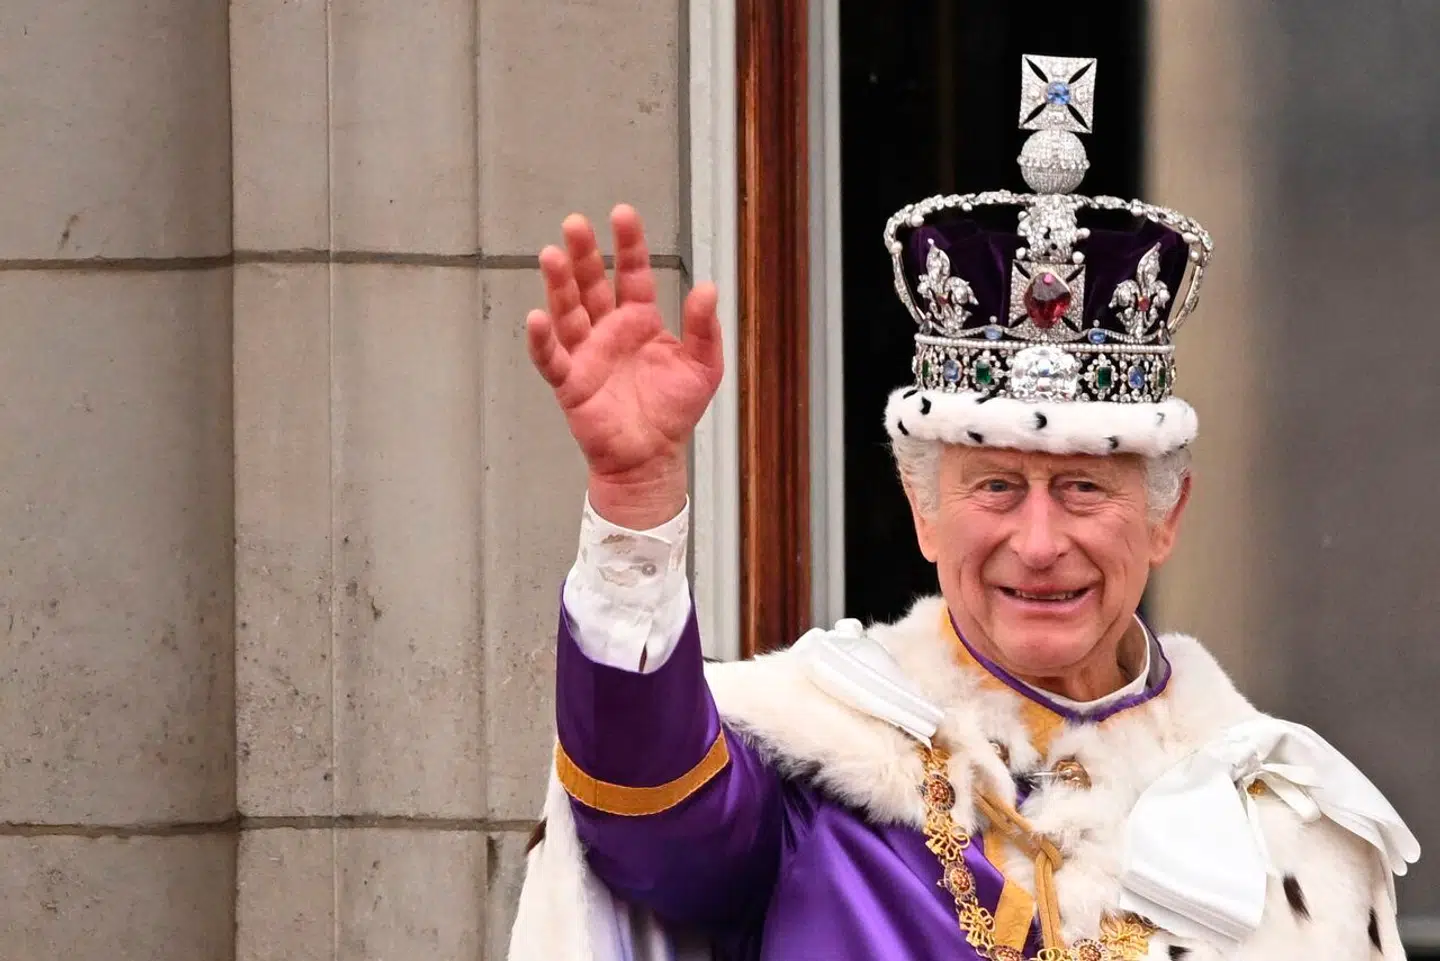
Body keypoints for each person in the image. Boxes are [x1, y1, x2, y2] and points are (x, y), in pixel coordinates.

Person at [506, 54, 1419, 961]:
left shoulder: (1289, 836)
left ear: (1166, 515)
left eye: (1083, 488)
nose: (1038, 542)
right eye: (995, 486)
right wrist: (635, 499)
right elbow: (649, 817)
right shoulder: (817, 777)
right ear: (923, 509)